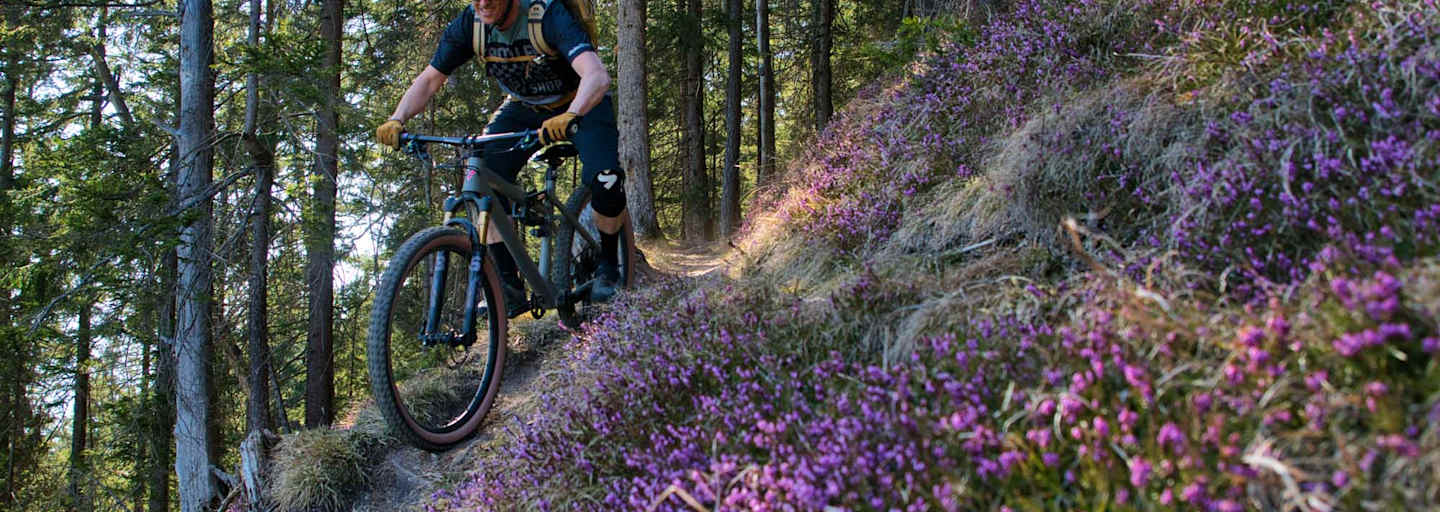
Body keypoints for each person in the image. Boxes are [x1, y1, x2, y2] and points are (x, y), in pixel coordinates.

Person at [375, 0, 628, 316]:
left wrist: (572, 113)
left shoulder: (545, 15)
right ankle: (507, 287)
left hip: (580, 102)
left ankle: (608, 265)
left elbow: (596, 76)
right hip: (523, 107)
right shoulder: (470, 24)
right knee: (481, 173)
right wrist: (398, 118)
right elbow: (430, 79)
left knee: (607, 178)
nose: (482, 3)